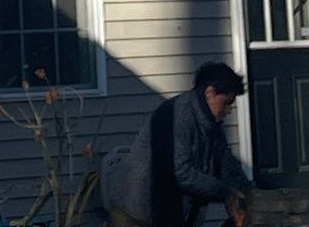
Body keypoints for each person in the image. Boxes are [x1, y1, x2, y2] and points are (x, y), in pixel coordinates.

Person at [102, 62, 252, 227]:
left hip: (171, 214)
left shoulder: (211, 125)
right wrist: (225, 192)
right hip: (138, 215)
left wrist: (248, 193)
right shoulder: (178, 116)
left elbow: (225, 161)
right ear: (209, 92)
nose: (229, 109)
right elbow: (181, 173)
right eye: (227, 102)